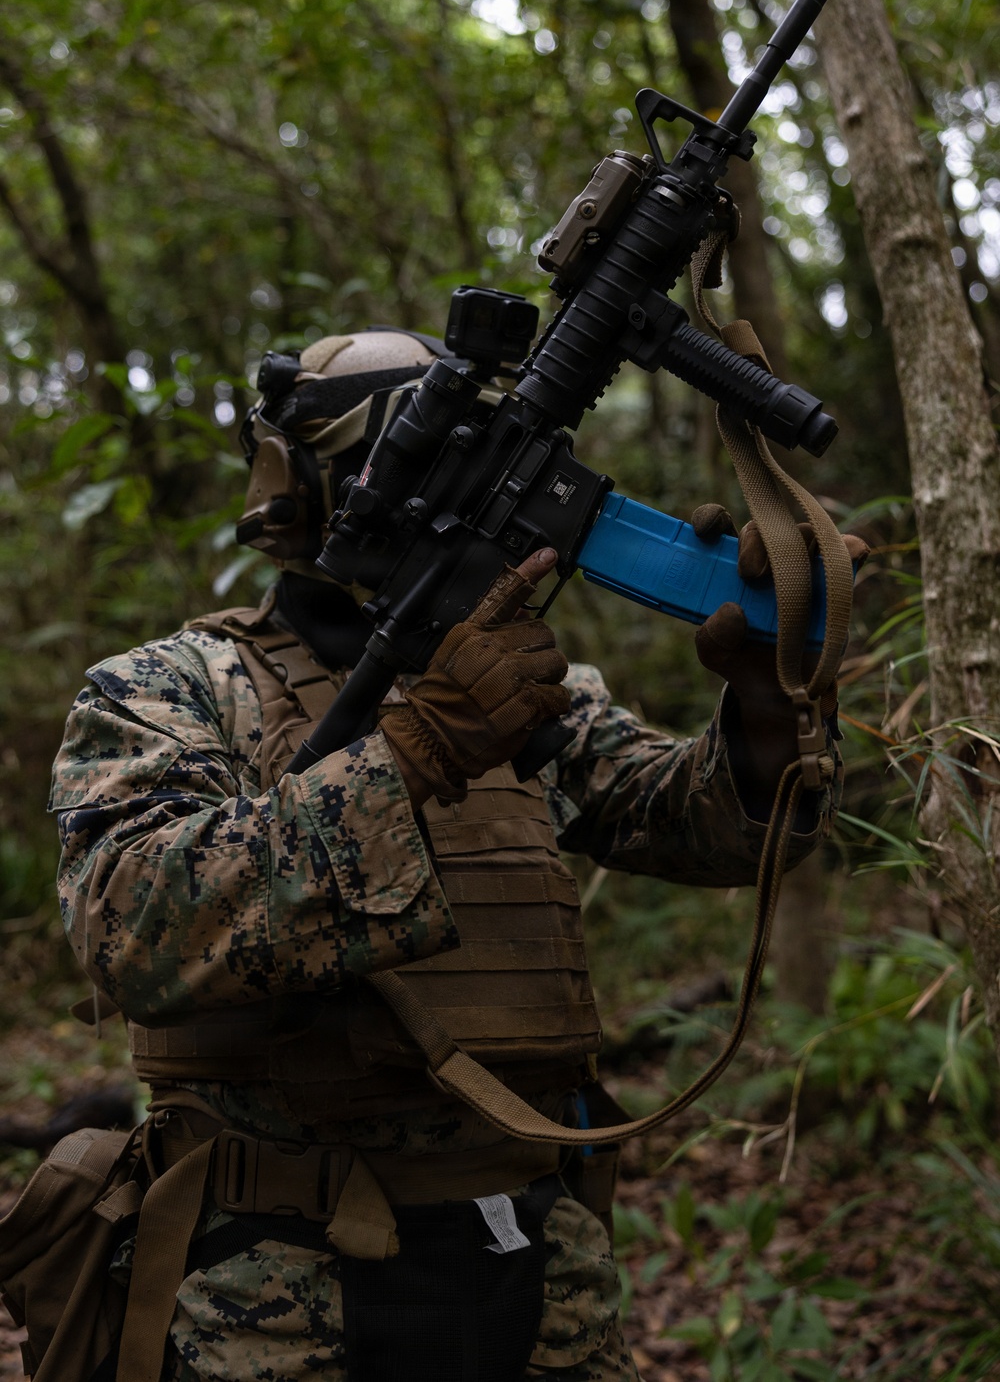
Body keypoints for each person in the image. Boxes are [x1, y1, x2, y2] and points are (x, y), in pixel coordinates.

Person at [50, 326, 859, 1382]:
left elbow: (687, 822)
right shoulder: (175, 686)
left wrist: (766, 696)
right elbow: (134, 924)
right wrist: (415, 751)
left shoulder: (526, 688)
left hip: (542, 1272)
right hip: (271, 1289)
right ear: (306, 482)